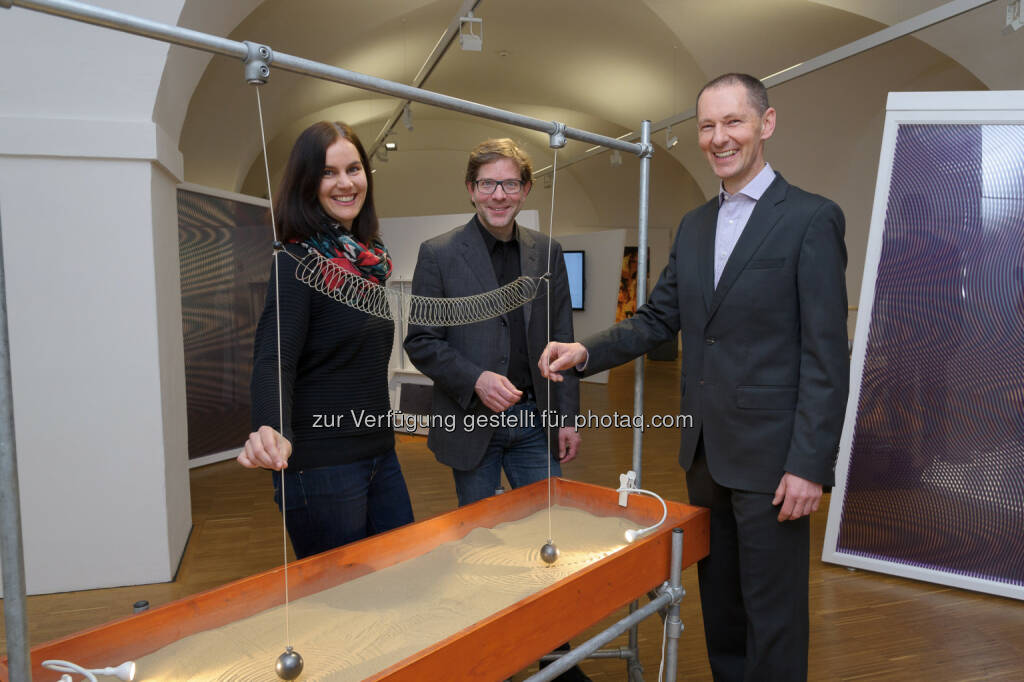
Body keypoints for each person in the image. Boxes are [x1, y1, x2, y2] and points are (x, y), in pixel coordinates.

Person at [540, 74, 850, 681]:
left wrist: (810, 464)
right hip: (704, 456)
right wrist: (585, 351)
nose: (718, 138)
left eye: (733, 122)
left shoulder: (812, 219)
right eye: (707, 126)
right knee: (723, 611)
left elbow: (825, 355)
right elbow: (658, 319)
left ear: (766, 123)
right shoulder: (695, 225)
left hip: (775, 464)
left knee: (774, 614)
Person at [239, 121, 414, 559]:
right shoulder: (297, 262)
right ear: (306, 184)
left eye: (353, 169)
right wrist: (269, 425)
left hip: (379, 452)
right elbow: (273, 358)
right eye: (328, 172)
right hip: (321, 466)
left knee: (403, 574)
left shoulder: (369, 265)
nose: (345, 183)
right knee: (340, 607)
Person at [404, 138, 581, 508]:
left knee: (548, 524)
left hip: (536, 421)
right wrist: (476, 380)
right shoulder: (439, 254)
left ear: (525, 189)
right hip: (470, 421)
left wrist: (568, 418)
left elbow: (563, 339)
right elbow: (422, 341)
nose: (499, 195)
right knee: (480, 539)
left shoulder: (548, 252)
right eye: (487, 184)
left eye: (510, 184)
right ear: (471, 190)